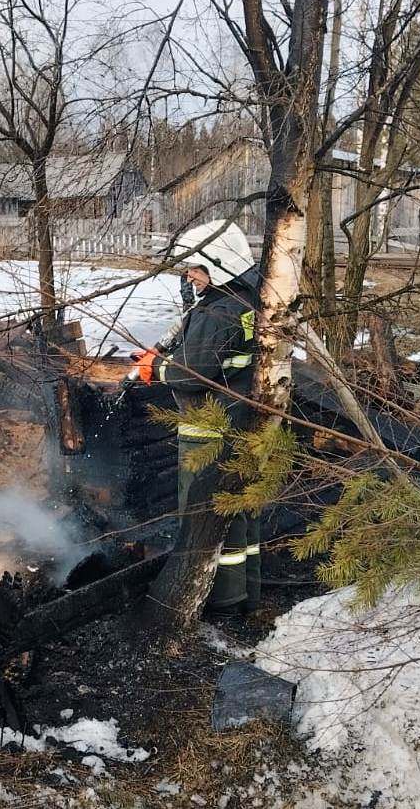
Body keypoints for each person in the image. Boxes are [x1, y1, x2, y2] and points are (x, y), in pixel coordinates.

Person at [131, 220, 262, 614]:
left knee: (206, 517)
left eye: (196, 269)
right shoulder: (246, 299)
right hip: (244, 422)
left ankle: (218, 602)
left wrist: (158, 370)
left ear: (219, 266)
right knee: (244, 512)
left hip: (208, 430)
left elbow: (192, 375)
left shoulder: (217, 314)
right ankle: (247, 596)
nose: (189, 275)